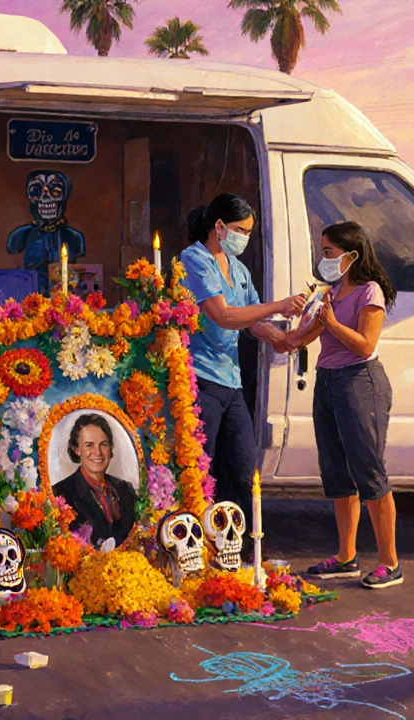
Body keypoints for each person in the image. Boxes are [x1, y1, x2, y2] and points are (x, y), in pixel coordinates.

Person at [179, 194, 304, 531]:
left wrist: (283, 338)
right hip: (200, 379)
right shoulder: (195, 259)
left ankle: (241, 545)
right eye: (239, 230)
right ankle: (201, 544)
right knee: (203, 469)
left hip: (231, 383)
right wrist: (278, 306)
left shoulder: (240, 270)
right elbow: (222, 314)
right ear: (218, 227)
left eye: (249, 232)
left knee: (242, 465)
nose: (244, 238)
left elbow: (252, 320)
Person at [287, 221, 401, 589]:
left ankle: (390, 563)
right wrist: (284, 333)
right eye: (322, 252)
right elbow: (307, 335)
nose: (324, 259)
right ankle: (346, 557)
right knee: (337, 472)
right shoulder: (331, 293)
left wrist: (331, 321)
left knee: (368, 471)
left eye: (329, 253)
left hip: (360, 382)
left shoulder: (370, 292)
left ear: (351, 256)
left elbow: (365, 344)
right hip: (328, 381)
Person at [56, 414, 137, 549]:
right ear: (76, 449)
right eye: (89, 445)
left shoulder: (125, 489)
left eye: (103, 445)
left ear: (110, 447)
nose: (98, 452)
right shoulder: (61, 493)